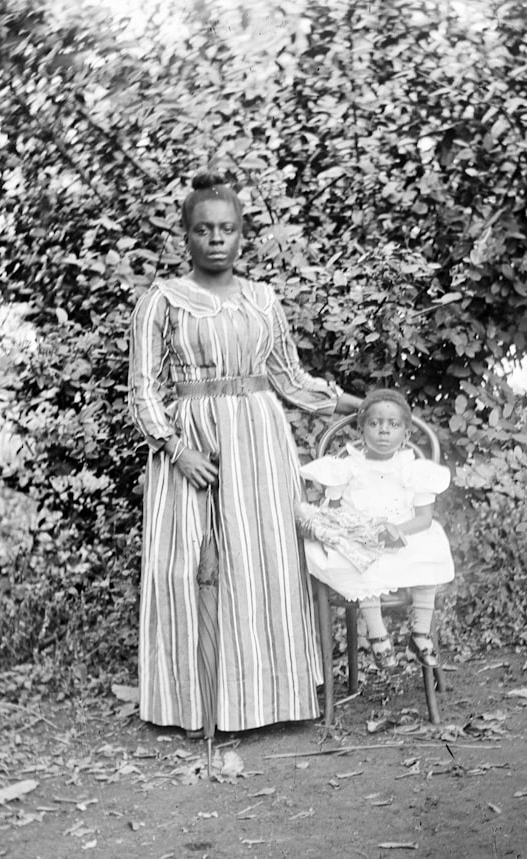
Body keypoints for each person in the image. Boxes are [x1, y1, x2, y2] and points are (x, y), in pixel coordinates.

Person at [127, 170, 362, 734]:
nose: (216, 239)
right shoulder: (161, 302)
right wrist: (176, 450)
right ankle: (201, 705)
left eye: (227, 229)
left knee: (265, 565)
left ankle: (270, 703)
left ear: (240, 236)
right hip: (196, 446)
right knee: (192, 566)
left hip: (260, 445)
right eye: (204, 229)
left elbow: (288, 378)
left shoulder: (262, 300)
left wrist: (360, 403)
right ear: (185, 236)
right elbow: (143, 391)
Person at [300, 388, 455, 669]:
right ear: (361, 432)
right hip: (361, 536)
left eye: (393, 425)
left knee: (430, 551)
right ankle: (376, 633)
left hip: (403, 533)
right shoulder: (347, 468)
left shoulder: (413, 470)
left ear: (406, 436)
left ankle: (420, 633)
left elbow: (423, 519)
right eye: (374, 424)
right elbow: (332, 512)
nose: (384, 431)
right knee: (358, 559)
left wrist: (398, 530)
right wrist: (354, 531)